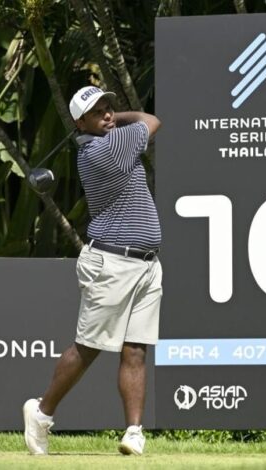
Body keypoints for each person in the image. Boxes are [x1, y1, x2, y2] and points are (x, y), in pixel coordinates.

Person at [23, 86, 162, 456]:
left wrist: (111, 120)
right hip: (112, 264)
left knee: (135, 349)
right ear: (79, 123)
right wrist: (124, 117)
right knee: (88, 348)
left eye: (108, 107)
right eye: (97, 112)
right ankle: (41, 413)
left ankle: (133, 432)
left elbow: (138, 124)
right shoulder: (105, 149)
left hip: (147, 264)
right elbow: (151, 120)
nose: (108, 114)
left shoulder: (106, 139)